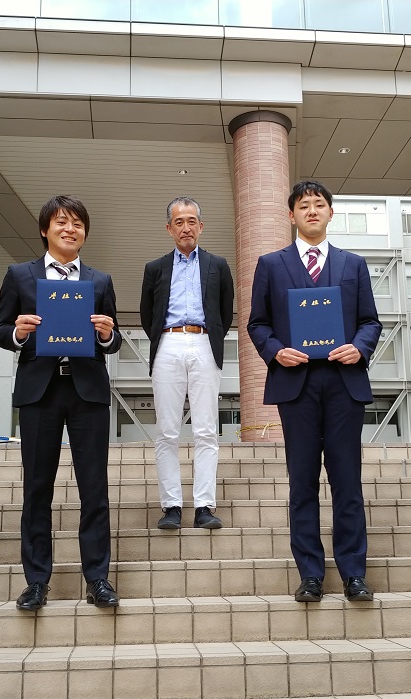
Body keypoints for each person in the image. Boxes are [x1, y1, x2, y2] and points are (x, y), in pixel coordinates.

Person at [247, 180, 381, 603]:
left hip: (344, 382)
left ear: (330, 213)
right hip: (297, 385)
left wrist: (358, 348)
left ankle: (354, 573)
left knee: (347, 482)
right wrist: (275, 352)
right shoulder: (271, 264)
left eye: (319, 205)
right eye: (303, 205)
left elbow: (370, 321)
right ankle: (310, 574)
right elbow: (257, 323)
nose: (311, 211)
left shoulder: (353, 264)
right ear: (291, 215)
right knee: (302, 482)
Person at [0, 195, 122, 610]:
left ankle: (97, 578)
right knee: (37, 488)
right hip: (39, 390)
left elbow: (114, 339)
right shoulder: (20, 275)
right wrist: (19, 332)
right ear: (44, 230)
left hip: (87, 390)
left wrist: (107, 334)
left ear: (85, 233)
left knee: (94, 488)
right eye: (62, 222)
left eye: (78, 224)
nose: (70, 229)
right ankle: (36, 581)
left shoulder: (100, 281)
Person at [140, 197, 235, 530]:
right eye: (179, 222)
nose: (186, 227)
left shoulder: (218, 265)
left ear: (201, 226)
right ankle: (172, 507)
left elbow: (225, 311)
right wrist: (166, 338)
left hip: (204, 342)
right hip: (167, 343)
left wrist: (209, 336)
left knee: (206, 429)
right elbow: (147, 314)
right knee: (167, 430)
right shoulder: (155, 268)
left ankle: (204, 506)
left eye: (191, 221)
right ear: (169, 228)